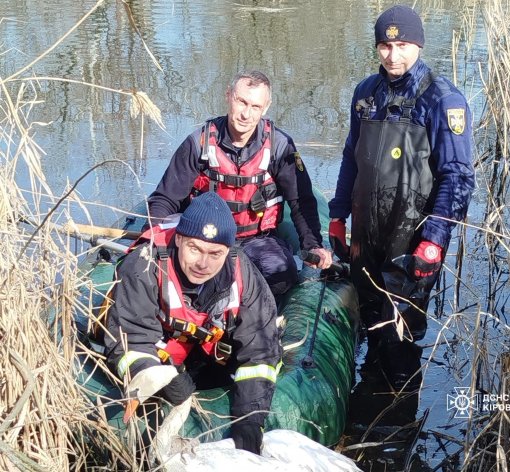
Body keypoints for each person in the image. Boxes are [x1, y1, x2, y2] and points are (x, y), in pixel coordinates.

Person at [328, 5, 475, 389]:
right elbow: (350, 156)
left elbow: (458, 178)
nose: (394, 55)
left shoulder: (443, 99)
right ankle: (366, 410)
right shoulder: (365, 93)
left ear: (419, 45)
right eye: (385, 45)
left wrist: (434, 242)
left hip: (411, 237)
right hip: (366, 234)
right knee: (372, 327)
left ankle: (400, 424)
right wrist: (337, 215)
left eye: (403, 45)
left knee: (400, 336)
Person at [104, 192, 282, 455]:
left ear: (229, 251)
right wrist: (161, 381)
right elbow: (129, 342)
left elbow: (261, 354)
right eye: (194, 249)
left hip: (211, 357)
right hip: (163, 358)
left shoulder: (243, 274)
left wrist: (250, 422)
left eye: (214, 253)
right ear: (179, 239)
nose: (203, 263)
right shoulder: (144, 266)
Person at [147, 70, 332, 296]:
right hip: (205, 240)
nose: (246, 114)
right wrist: (153, 239)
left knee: (281, 276)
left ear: (266, 107)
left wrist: (313, 245)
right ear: (229, 96)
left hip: (257, 240)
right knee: (190, 282)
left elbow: (300, 200)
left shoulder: (280, 146)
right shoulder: (199, 143)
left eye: (255, 107)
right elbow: (165, 198)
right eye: (241, 102)